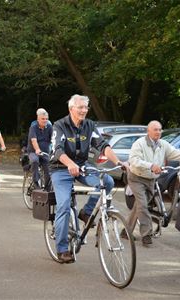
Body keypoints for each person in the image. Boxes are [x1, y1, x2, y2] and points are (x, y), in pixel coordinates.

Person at [49, 94, 122, 263]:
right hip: (60, 168)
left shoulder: (89, 125)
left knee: (108, 181)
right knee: (64, 207)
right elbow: (57, 150)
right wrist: (69, 164)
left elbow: (102, 145)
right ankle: (62, 249)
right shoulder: (59, 125)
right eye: (80, 107)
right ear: (71, 108)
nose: (83, 110)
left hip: (81, 166)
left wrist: (119, 161)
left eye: (85, 107)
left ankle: (86, 212)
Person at [125, 120, 180, 246]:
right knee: (143, 205)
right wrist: (151, 166)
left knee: (140, 206)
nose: (158, 132)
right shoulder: (139, 144)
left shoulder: (163, 144)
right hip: (136, 178)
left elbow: (175, 153)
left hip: (151, 179)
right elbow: (134, 160)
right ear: (148, 131)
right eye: (155, 129)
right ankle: (146, 234)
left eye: (160, 129)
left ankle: (126, 231)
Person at [27, 108, 52, 188]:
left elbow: (54, 139)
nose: (45, 120)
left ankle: (47, 186)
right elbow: (34, 140)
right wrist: (37, 149)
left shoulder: (49, 127)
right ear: (38, 119)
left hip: (45, 152)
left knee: (49, 166)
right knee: (35, 161)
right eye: (43, 119)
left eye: (46, 119)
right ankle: (35, 181)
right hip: (34, 151)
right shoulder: (33, 128)